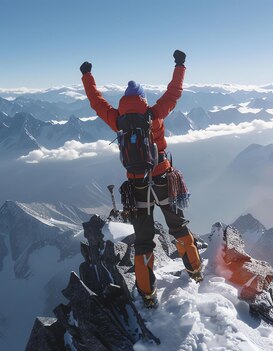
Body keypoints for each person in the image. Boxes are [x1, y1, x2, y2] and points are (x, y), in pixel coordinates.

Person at [80, 50, 202, 308]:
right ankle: (195, 272)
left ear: (125, 101)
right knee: (178, 227)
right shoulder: (154, 114)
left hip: (136, 188)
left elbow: (96, 101)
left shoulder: (118, 120)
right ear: (143, 99)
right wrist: (180, 65)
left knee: (144, 241)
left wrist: (87, 75)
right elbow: (174, 92)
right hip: (163, 180)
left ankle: (147, 294)